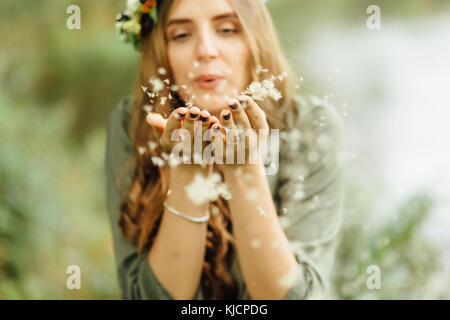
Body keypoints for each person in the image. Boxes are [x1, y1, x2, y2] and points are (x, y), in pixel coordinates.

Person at [105, 0, 344, 300]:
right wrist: (189, 169)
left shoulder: (310, 127)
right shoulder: (132, 127)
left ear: (256, 37)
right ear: (161, 52)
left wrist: (242, 166)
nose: (205, 49)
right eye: (181, 35)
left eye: (227, 29)